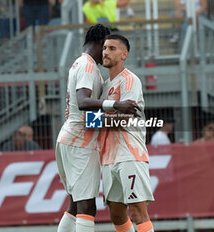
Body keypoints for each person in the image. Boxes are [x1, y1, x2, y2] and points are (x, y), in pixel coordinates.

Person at [55, 24, 140, 232]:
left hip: (71, 138)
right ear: (101, 42)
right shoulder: (87, 66)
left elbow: (86, 112)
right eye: (107, 47)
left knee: (75, 205)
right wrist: (116, 105)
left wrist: (112, 119)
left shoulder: (81, 63)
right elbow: (83, 101)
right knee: (86, 206)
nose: (107, 53)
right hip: (79, 141)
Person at [99, 34, 155, 232]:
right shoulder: (104, 86)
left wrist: (93, 120)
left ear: (124, 54)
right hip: (108, 157)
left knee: (138, 212)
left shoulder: (130, 81)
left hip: (130, 153)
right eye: (105, 48)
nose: (106, 52)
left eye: (112, 48)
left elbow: (125, 120)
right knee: (116, 214)